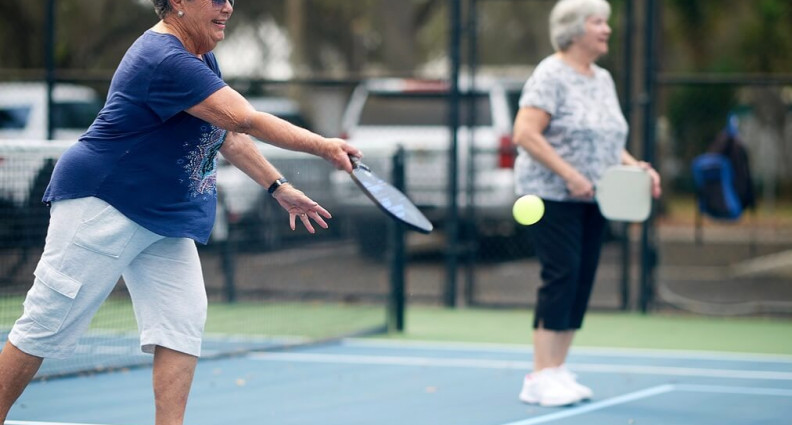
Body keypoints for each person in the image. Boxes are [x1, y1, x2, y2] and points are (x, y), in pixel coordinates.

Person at [0, 0, 361, 423]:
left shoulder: (200, 53)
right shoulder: (163, 58)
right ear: (175, 3)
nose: (226, 6)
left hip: (163, 215)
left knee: (180, 323)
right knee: (47, 323)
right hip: (104, 202)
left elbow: (226, 134)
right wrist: (325, 146)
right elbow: (244, 119)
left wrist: (278, 186)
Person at [512, 0, 661, 407]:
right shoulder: (550, 74)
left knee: (582, 278)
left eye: (606, 22)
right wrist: (569, 175)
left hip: (598, 196)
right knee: (561, 274)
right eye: (598, 22)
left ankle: (558, 369)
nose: (606, 29)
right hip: (550, 195)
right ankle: (539, 376)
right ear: (574, 30)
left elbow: (609, 142)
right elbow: (525, 133)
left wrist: (638, 168)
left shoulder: (602, 79)